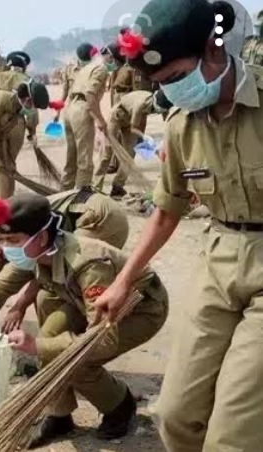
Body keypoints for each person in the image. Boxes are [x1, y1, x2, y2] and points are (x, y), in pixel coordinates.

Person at [93, 1, 263, 450]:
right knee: (174, 415)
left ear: (213, 48)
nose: (172, 91)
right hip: (219, 263)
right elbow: (167, 211)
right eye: (162, 83)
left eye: (177, 77)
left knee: (233, 433)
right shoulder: (181, 125)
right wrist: (123, 282)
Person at [0, 194, 167, 447]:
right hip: (80, 301)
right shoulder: (30, 252)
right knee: (49, 328)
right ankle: (60, 416)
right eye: (3, 240)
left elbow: (103, 341)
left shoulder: (88, 264)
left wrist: (36, 345)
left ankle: (119, 405)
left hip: (140, 309)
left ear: (42, 237)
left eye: (12, 240)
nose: (6, 248)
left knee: (74, 360)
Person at [0, 187, 129, 329]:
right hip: (73, 219)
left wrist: (20, 306)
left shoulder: (2, 232)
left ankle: (82, 342)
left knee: (66, 283)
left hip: (99, 217)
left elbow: (42, 268)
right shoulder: (4, 237)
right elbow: (1, 289)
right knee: (46, 295)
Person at [60, 44, 123, 190]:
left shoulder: (88, 67)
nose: (116, 66)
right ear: (111, 57)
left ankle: (64, 191)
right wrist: (99, 119)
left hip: (70, 109)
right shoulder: (101, 69)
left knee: (71, 157)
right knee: (85, 159)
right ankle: (82, 194)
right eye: (117, 62)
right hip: (82, 109)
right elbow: (90, 93)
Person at [93, 90, 172, 197]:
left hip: (129, 120)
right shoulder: (140, 105)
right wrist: (144, 137)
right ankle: (96, 186)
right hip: (116, 117)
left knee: (130, 154)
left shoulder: (160, 104)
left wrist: (161, 144)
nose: (156, 112)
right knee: (107, 153)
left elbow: (166, 121)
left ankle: (118, 186)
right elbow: (133, 128)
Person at [0, 51, 39, 198]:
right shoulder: (28, 80)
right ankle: (8, 197)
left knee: (0, 165)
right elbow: (32, 110)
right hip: (18, 124)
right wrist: (32, 131)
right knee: (11, 162)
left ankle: (1, 199)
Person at [59, 43, 98, 112]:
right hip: (72, 108)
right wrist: (58, 110)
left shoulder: (95, 70)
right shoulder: (69, 69)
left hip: (88, 109)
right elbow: (65, 91)